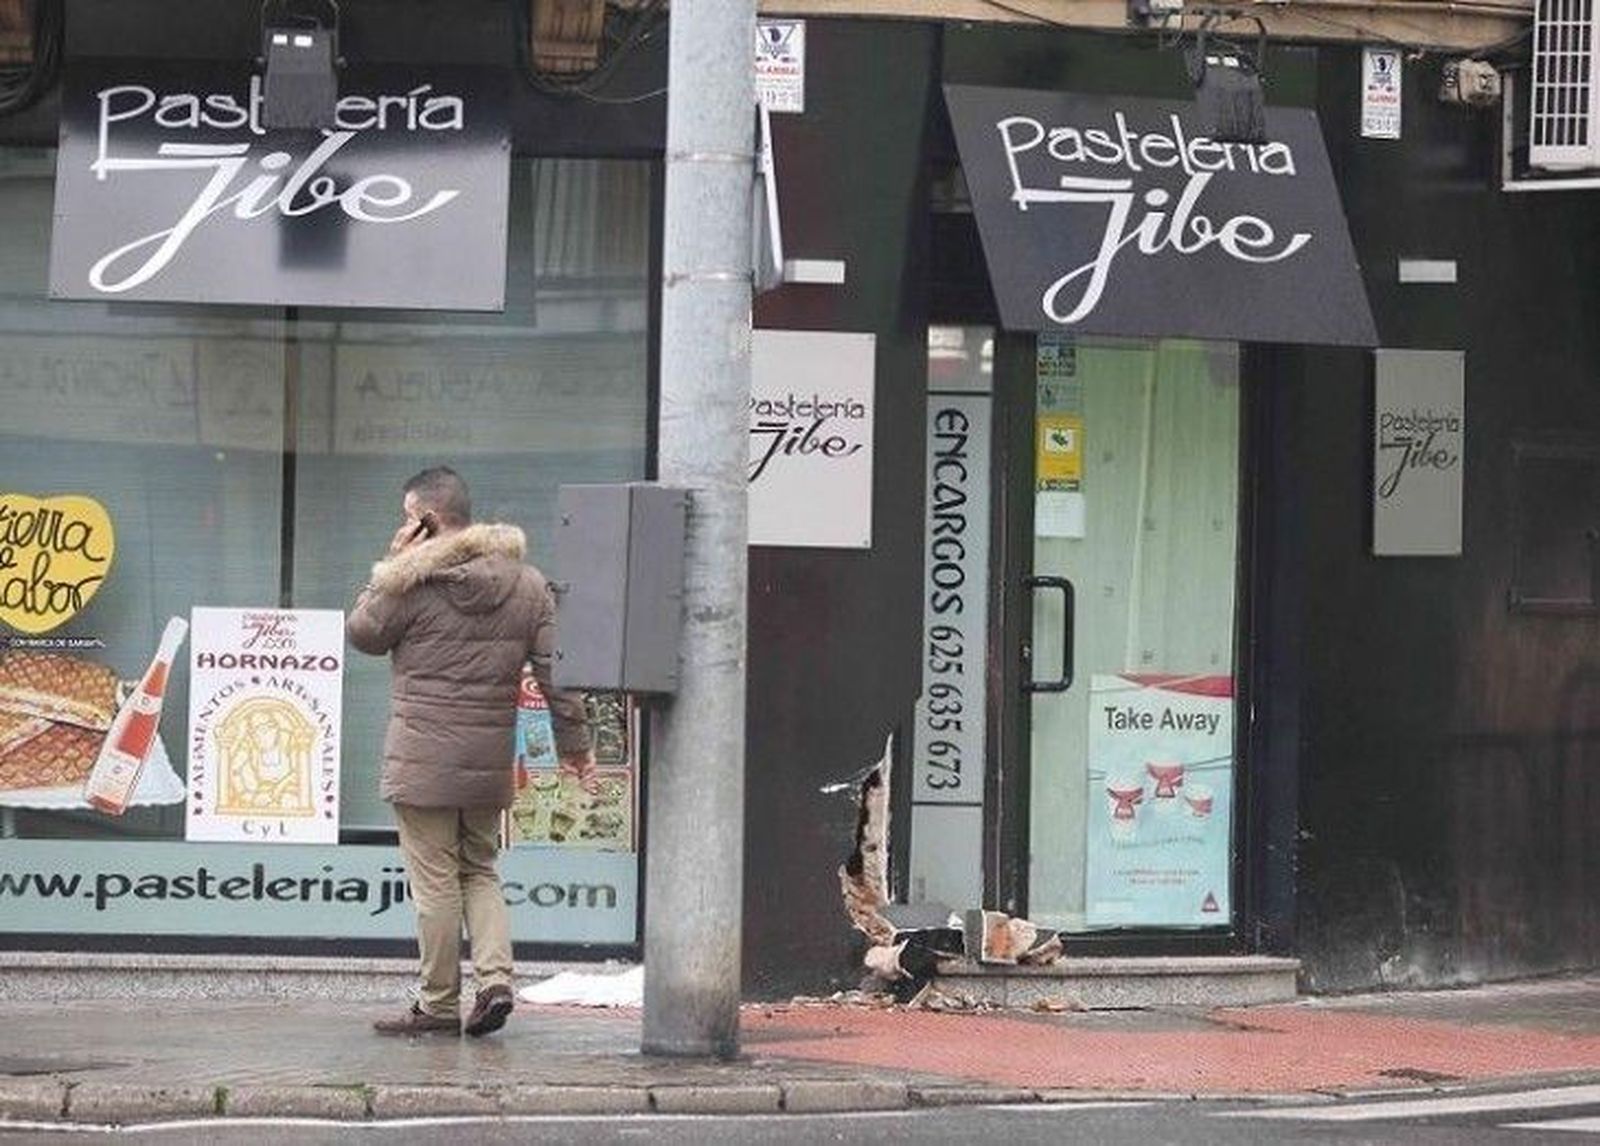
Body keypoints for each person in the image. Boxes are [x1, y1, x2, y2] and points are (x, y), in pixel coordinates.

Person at [348, 466, 593, 1037]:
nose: (403, 527)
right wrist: (575, 747)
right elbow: (559, 676)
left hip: (421, 760)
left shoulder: (411, 585)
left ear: (426, 521)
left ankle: (437, 1004)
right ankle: (496, 980)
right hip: (486, 762)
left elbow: (362, 633)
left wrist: (390, 565)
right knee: (480, 870)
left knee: (434, 883)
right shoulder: (528, 584)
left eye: (408, 519)